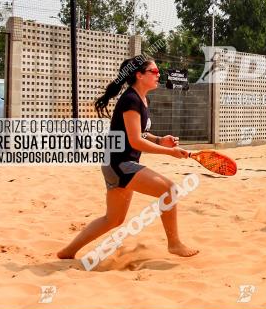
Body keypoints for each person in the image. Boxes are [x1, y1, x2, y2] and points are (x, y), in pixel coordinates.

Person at [58, 56, 197, 261]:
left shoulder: (141, 98)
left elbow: (139, 133)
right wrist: (170, 152)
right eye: (154, 71)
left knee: (113, 219)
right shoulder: (131, 99)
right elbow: (135, 141)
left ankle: (67, 252)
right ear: (139, 75)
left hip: (117, 164)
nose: (159, 74)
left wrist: (160, 140)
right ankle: (174, 244)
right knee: (170, 190)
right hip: (120, 164)